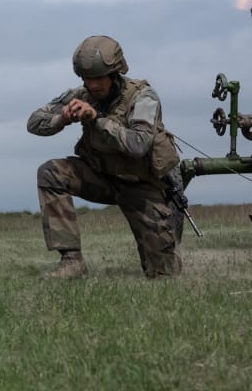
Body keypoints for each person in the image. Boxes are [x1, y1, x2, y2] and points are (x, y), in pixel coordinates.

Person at [27, 35, 182, 280]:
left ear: (115, 73)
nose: (93, 84)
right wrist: (63, 118)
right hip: (100, 178)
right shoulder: (81, 94)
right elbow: (34, 122)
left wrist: (96, 120)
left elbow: (138, 145)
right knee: (51, 172)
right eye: (87, 78)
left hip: (139, 186)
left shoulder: (143, 97)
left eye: (98, 77)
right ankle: (72, 262)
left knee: (163, 274)